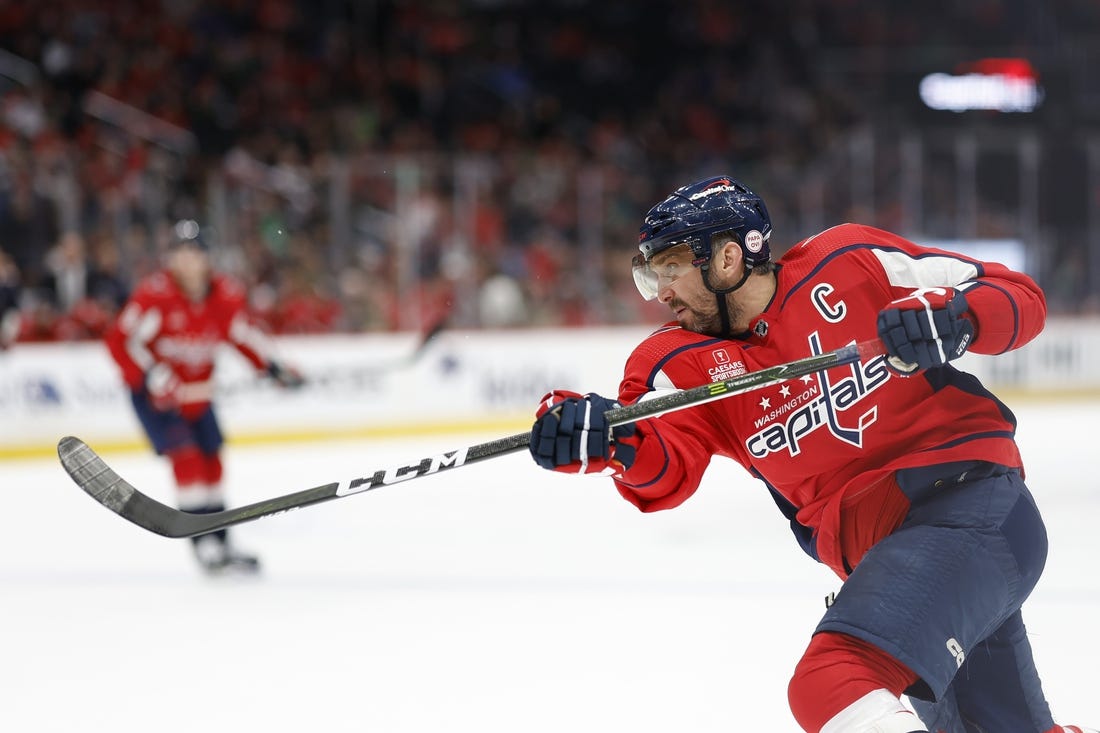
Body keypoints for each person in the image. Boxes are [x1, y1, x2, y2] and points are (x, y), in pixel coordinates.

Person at [527, 175, 1095, 733]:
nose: (662, 290)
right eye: (652, 274)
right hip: (897, 559)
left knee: (834, 680)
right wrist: (609, 442)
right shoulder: (674, 361)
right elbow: (664, 467)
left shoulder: (848, 261)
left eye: (670, 267)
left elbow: (1020, 296)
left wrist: (956, 317)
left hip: (972, 508)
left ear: (726, 258)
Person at [105, 220, 304, 575]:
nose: (186, 261)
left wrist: (275, 368)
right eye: (180, 253)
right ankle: (203, 544)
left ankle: (221, 541)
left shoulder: (224, 297)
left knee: (213, 463)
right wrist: (153, 374)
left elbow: (243, 337)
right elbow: (120, 341)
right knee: (189, 461)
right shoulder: (156, 295)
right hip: (159, 399)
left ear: (207, 259)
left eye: (194, 253)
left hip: (198, 397)